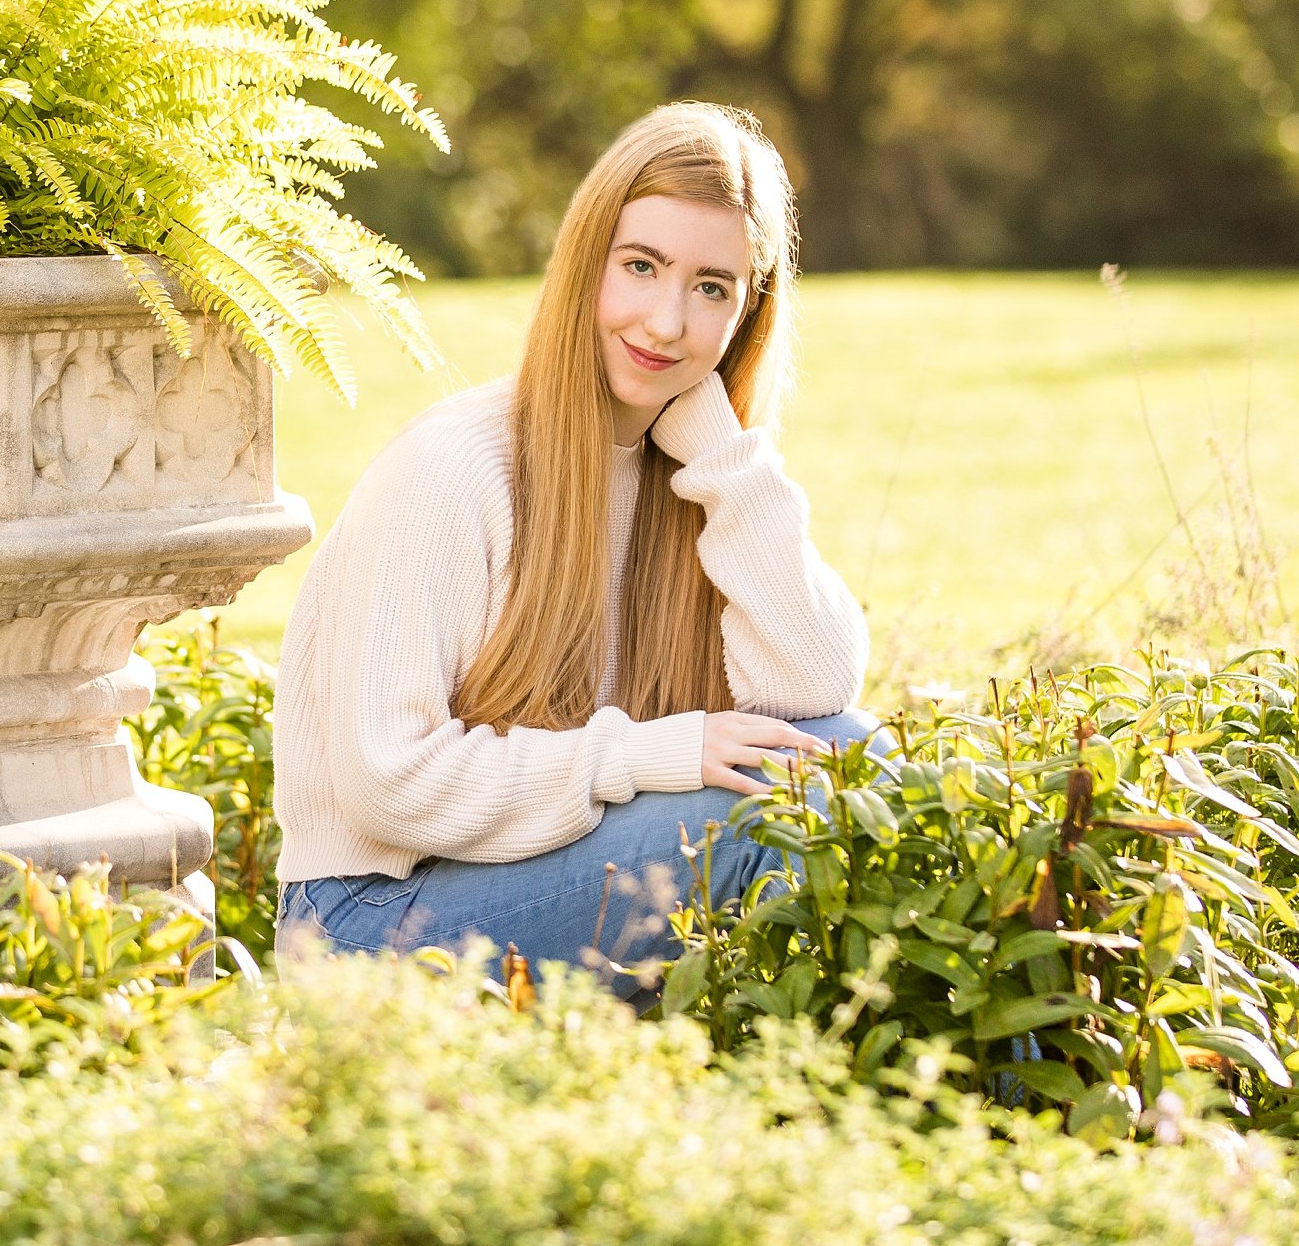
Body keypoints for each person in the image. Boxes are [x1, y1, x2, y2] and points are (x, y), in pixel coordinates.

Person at [271, 102, 873, 994]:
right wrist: (641, 754)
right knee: (778, 812)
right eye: (641, 267)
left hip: (535, 873)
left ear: (748, 314)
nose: (666, 322)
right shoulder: (454, 469)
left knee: (844, 756)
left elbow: (817, 684)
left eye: (713, 288)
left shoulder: (693, 472)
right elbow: (385, 780)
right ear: (586, 261)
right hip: (367, 921)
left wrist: (725, 455)